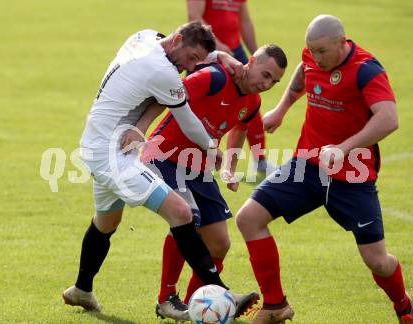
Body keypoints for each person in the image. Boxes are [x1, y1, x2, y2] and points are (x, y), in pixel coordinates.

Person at [235, 15, 413, 324]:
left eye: (321, 51)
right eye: (311, 50)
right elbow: (303, 70)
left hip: (352, 177)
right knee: (249, 218)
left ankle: (403, 306)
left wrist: (344, 148)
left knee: (377, 262)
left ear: (341, 43)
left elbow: (389, 119)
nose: (315, 58)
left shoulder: (366, 70)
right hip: (307, 166)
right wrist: (281, 109)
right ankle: (275, 305)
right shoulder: (313, 58)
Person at [61, 21, 245, 314]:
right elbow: (188, 122)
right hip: (113, 152)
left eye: (198, 61)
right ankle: (216, 292)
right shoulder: (163, 73)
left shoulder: (145, 38)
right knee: (182, 212)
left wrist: (218, 56)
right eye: (192, 58)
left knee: (106, 222)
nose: (192, 67)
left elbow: (184, 52)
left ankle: (82, 290)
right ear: (179, 40)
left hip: (98, 142)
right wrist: (213, 149)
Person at [138, 44, 287, 321]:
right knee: (186, 217)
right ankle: (166, 299)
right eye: (265, 74)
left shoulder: (252, 103)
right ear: (251, 61)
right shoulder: (213, 78)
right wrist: (140, 129)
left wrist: (229, 167)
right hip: (164, 156)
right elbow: (168, 93)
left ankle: (194, 305)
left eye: (274, 81)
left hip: (199, 168)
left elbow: (240, 130)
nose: (266, 84)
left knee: (219, 243)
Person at [187, 0, 276, 174]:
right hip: (208, 51)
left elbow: (244, 21)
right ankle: (187, 159)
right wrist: (218, 46)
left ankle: (259, 160)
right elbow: (194, 17)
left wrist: (260, 57)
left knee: (251, 105)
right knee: (197, 107)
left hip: (235, 51)